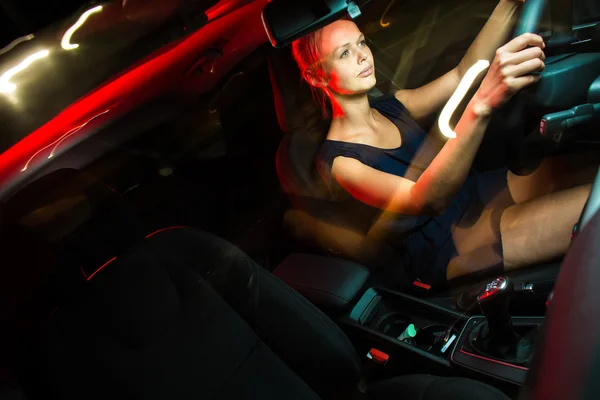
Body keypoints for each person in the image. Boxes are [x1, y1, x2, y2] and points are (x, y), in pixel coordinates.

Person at [291, 0, 598, 286]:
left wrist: (509, 3)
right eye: (344, 53)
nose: (362, 55)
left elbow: (464, 74)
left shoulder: (393, 106)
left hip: (478, 192)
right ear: (317, 77)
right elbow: (424, 200)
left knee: (590, 172)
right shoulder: (339, 162)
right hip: (450, 243)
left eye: (361, 42)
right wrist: (482, 104)